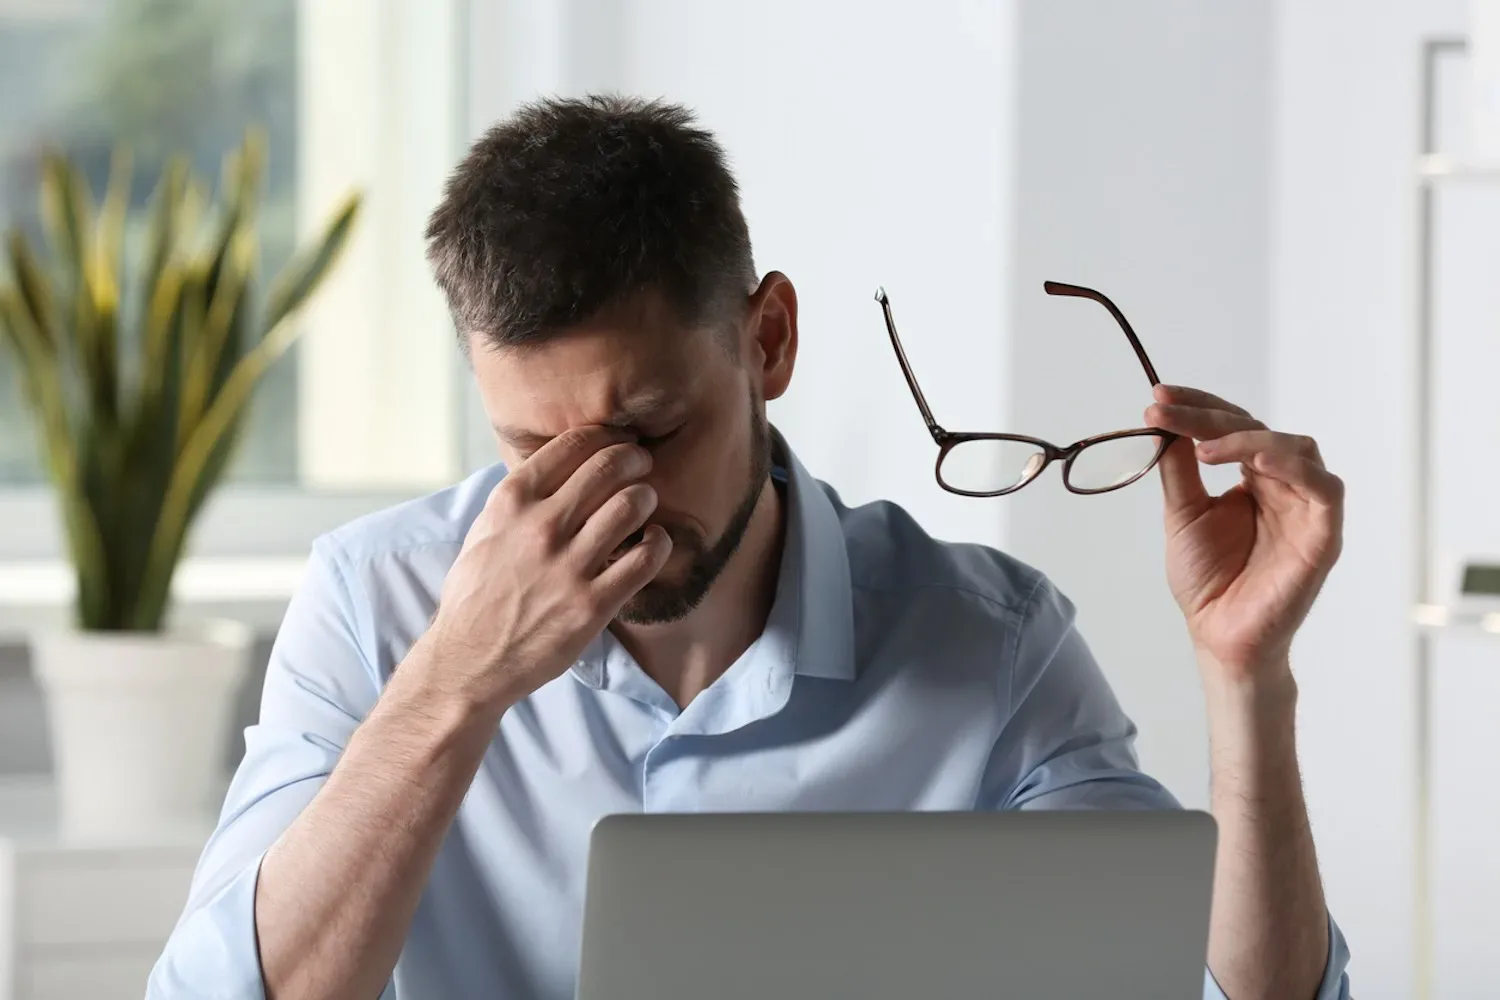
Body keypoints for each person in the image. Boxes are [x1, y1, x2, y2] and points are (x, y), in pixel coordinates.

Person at [147, 96, 1351, 1000]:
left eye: (652, 430)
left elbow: (1228, 990)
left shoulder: (989, 641)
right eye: (532, 448)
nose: (602, 503)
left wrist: (1250, 680)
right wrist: (458, 681)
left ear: (767, 338)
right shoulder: (374, 598)